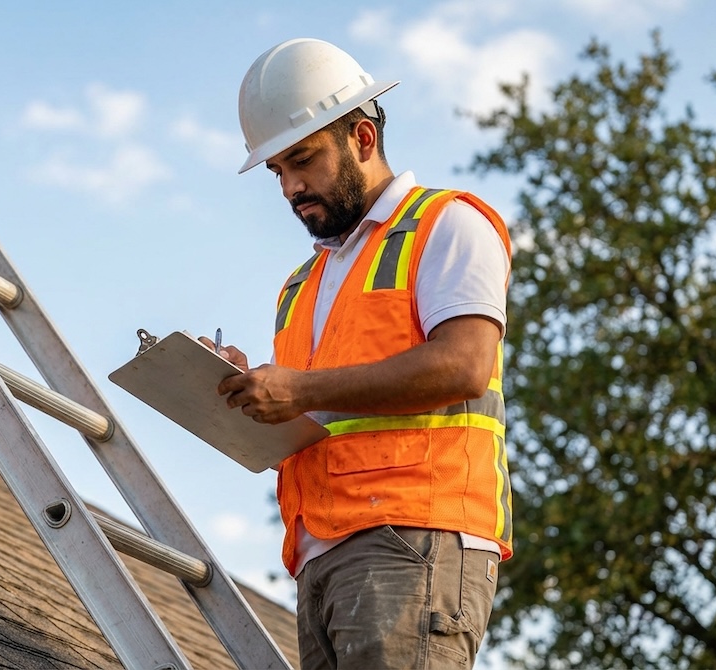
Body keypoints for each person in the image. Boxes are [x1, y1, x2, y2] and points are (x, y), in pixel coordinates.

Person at [212, 38, 514, 669]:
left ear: (363, 138)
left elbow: (464, 364)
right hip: (319, 553)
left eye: (304, 160)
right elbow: (317, 416)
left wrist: (300, 390)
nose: (292, 187)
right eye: (278, 172)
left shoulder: (447, 224)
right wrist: (246, 393)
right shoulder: (302, 286)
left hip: (411, 538)